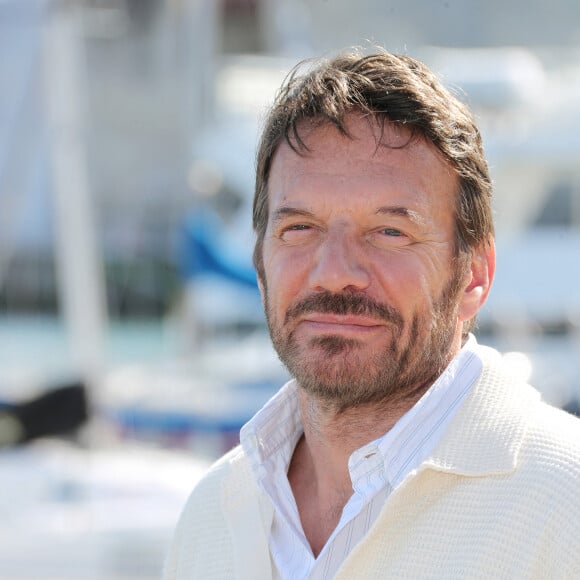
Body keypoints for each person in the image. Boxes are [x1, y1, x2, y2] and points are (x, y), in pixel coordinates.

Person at [163, 49, 580, 579]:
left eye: (389, 231)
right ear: (260, 258)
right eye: (299, 228)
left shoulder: (567, 504)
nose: (334, 272)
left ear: (474, 275)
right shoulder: (214, 512)